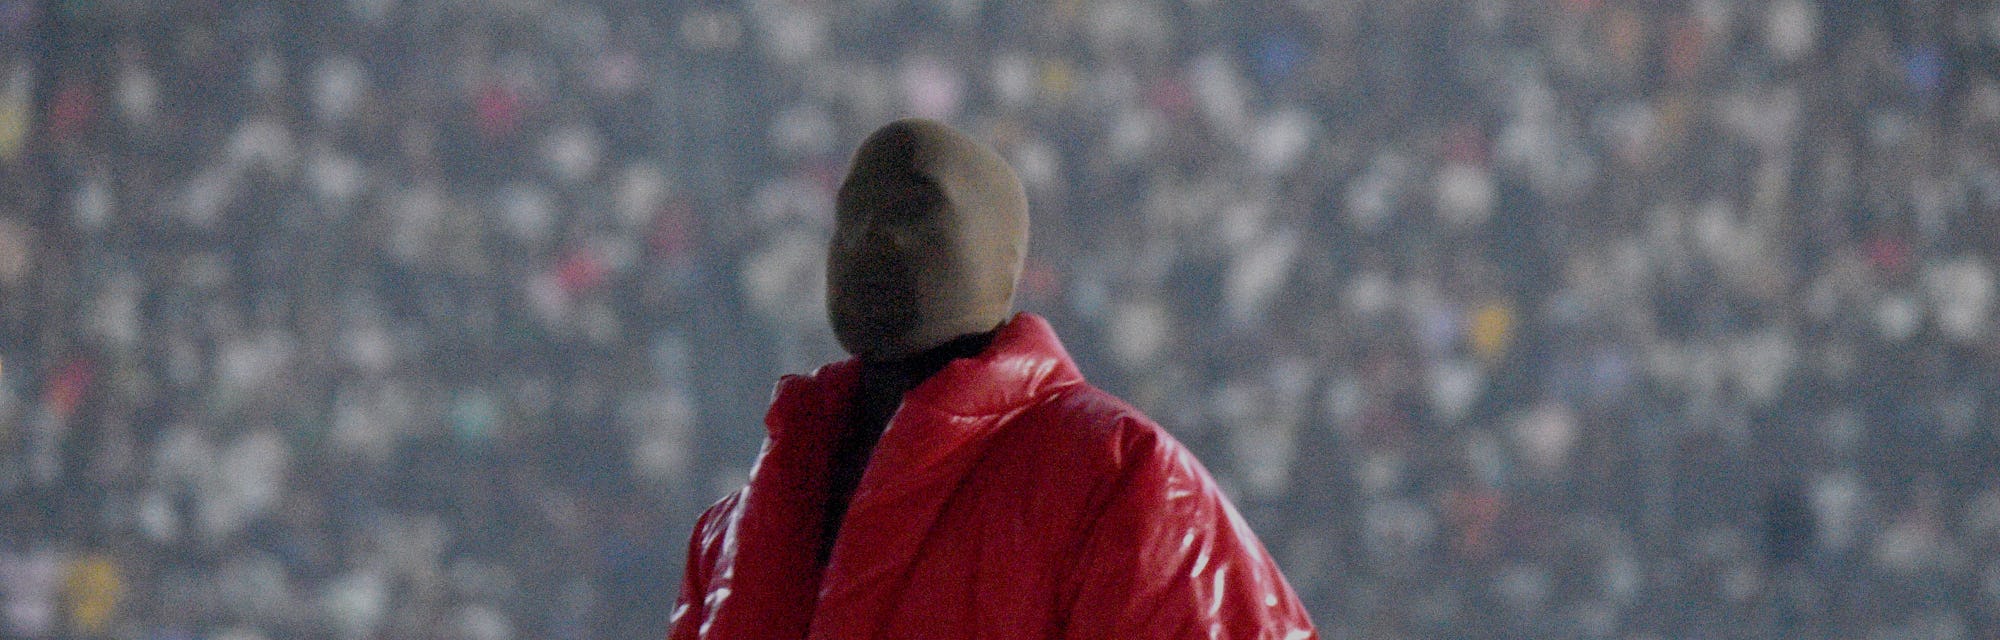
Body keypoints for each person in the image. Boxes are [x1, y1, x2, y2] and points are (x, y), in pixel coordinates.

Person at [666, 118, 1316, 639]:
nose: (870, 238)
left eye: (911, 211)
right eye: (851, 214)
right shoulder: (735, 531)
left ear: (1000, 252)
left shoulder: (1119, 480)